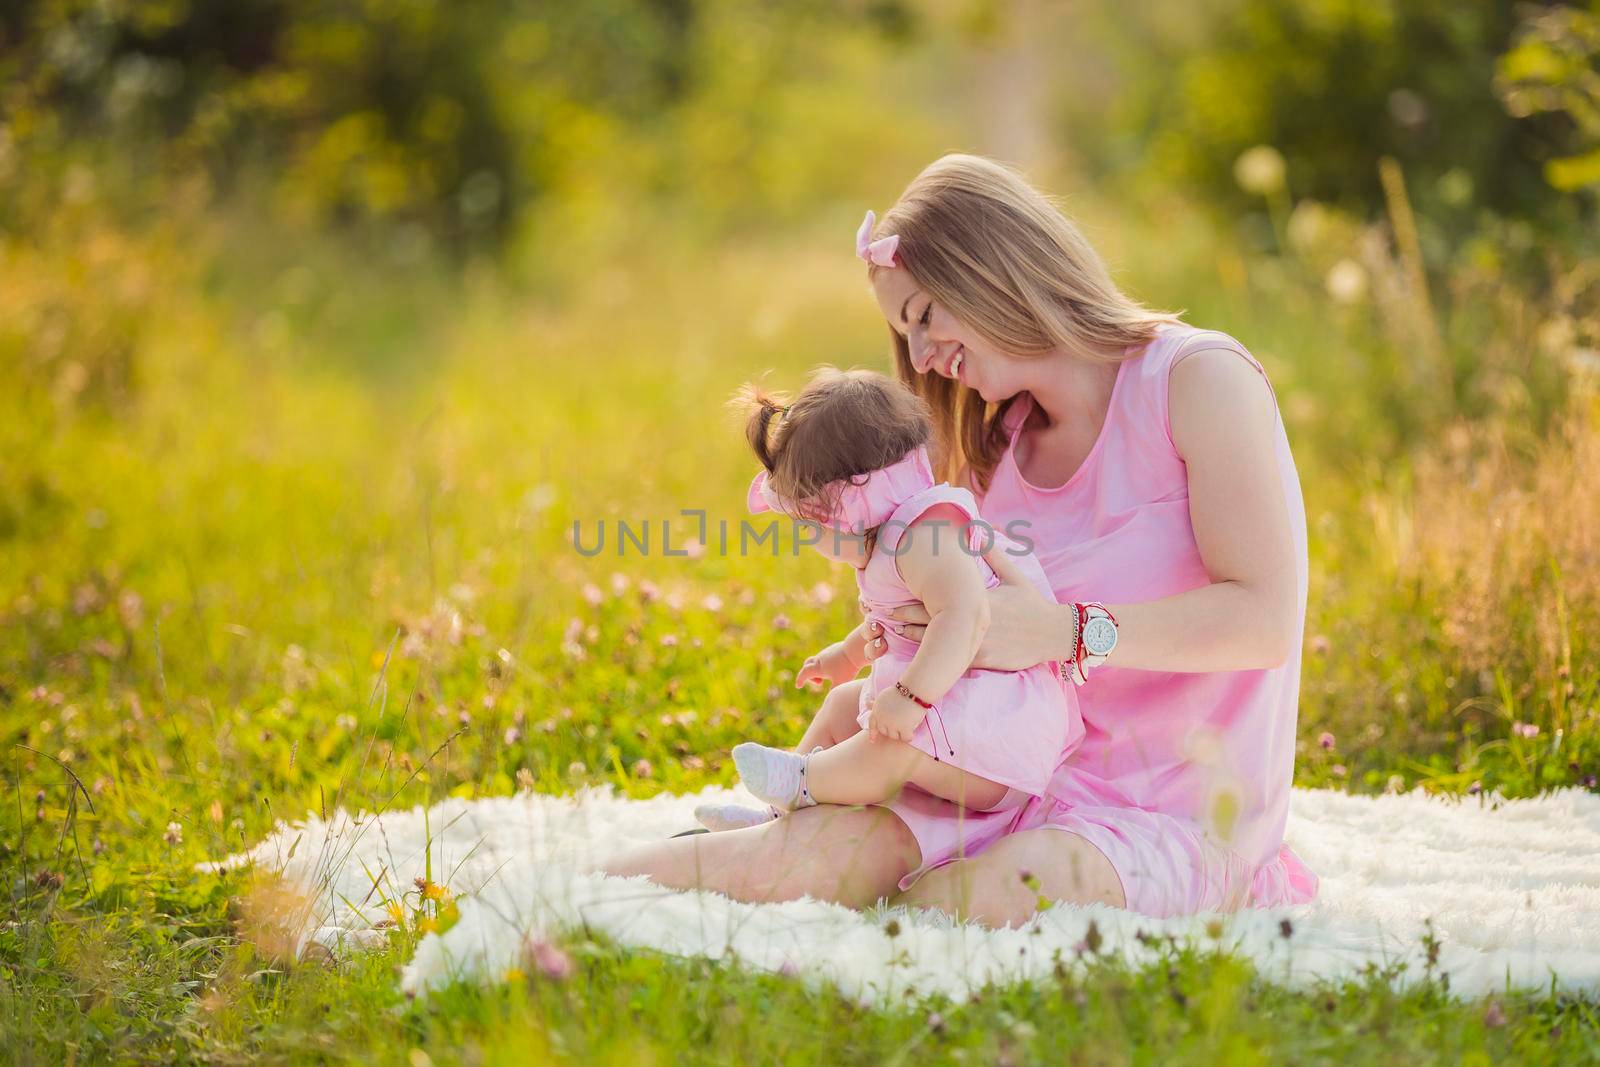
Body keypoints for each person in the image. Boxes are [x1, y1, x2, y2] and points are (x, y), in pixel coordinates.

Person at [601, 153, 1317, 924]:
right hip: (1003, 771)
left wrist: (1060, 631)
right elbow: (949, 610)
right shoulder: (994, 444)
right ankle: (567, 889)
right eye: (901, 332)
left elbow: (1262, 621)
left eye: (924, 317)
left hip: (1170, 809)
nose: (916, 358)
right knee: (808, 861)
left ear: (991, 269)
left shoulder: (1198, 381)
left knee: (981, 897)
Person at [700, 367, 1082, 829]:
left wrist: (910, 697)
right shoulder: (893, 539)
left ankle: (804, 782)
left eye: (808, 525)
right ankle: (779, 811)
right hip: (956, 715)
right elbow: (896, 623)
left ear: (854, 506)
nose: (805, 539)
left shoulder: (927, 537)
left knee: (894, 744)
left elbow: (966, 618)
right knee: (845, 703)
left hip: (999, 744)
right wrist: (844, 656)